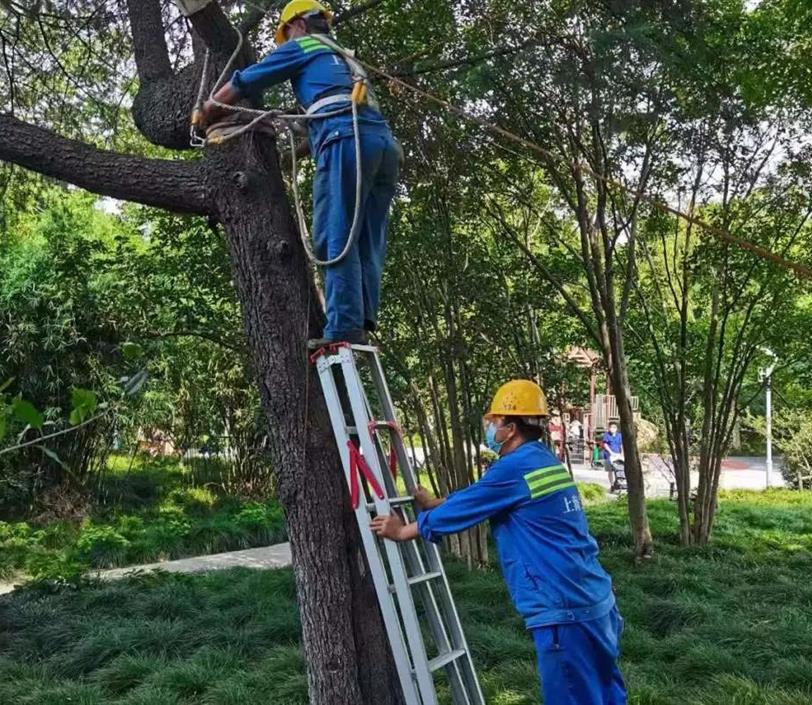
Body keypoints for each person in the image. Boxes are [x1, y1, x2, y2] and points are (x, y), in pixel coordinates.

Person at [370, 379, 627, 705]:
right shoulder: (542, 460)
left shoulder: (515, 467)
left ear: (512, 427)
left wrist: (403, 531)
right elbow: (484, 494)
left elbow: (478, 500)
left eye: (494, 421)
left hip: (564, 611)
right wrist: (436, 503)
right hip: (596, 601)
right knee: (606, 695)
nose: (490, 427)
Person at [201, 0, 400, 347]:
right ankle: (362, 316)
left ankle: (343, 328)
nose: (285, 40)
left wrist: (207, 109)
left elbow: (246, 79)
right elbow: (329, 103)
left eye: (286, 33)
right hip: (383, 146)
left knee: (334, 234)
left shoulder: (303, 46)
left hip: (345, 137)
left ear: (299, 26)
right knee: (367, 236)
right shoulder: (344, 57)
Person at [601, 422, 624, 491]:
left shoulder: (619, 435)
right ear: (609, 428)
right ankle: (611, 484)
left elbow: (621, 445)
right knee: (610, 470)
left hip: (618, 454)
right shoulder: (606, 435)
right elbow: (605, 444)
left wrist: (622, 453)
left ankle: (619, 482)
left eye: (614, 427)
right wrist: (611, 452)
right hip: (608, 455)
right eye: (611, 427)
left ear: (616, 429)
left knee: (620, 468)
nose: (612, 429)